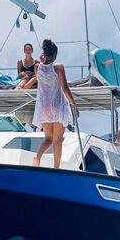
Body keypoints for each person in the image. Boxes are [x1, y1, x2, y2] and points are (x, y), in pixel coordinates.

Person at [31, 40, 78, 168]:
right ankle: (56, 168)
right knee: (57, 139)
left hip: (44, 107)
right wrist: (73, 105)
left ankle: (37, 157)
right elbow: (65, 88)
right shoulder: (58, 67)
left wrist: (42, 59)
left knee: (48, 139)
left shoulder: (37, 67)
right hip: (57, 106)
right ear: (55, 54)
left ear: (44, 53)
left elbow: (41, 70)